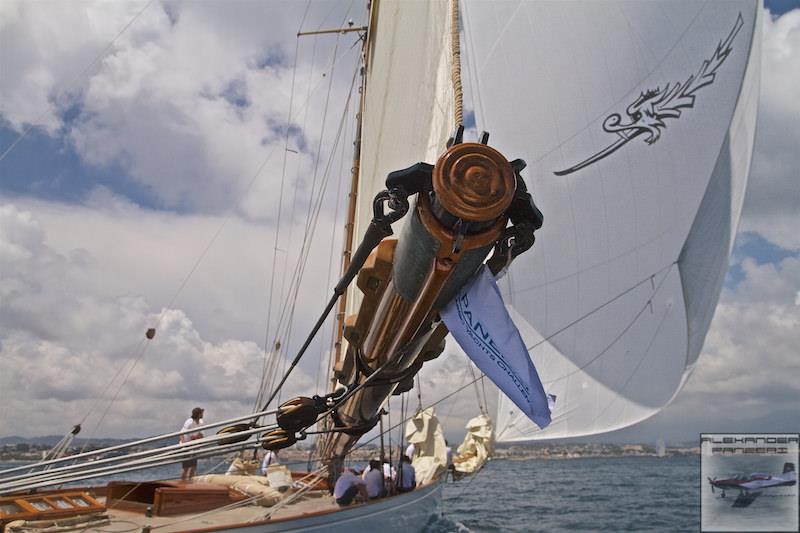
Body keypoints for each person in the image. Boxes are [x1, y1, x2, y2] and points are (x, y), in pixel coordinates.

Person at [179, 407, 204, 481]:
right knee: (186, 468)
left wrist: (198, 440)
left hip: (194, 447)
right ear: (199, 414)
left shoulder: (200, 422)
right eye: (202, 413)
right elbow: (181, 433)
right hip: (186, 447)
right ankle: (182, 484)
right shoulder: (189, 422)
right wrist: (184, 445)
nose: (203, 414)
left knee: (193, 467)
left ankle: (190, 483)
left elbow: (200, 434)